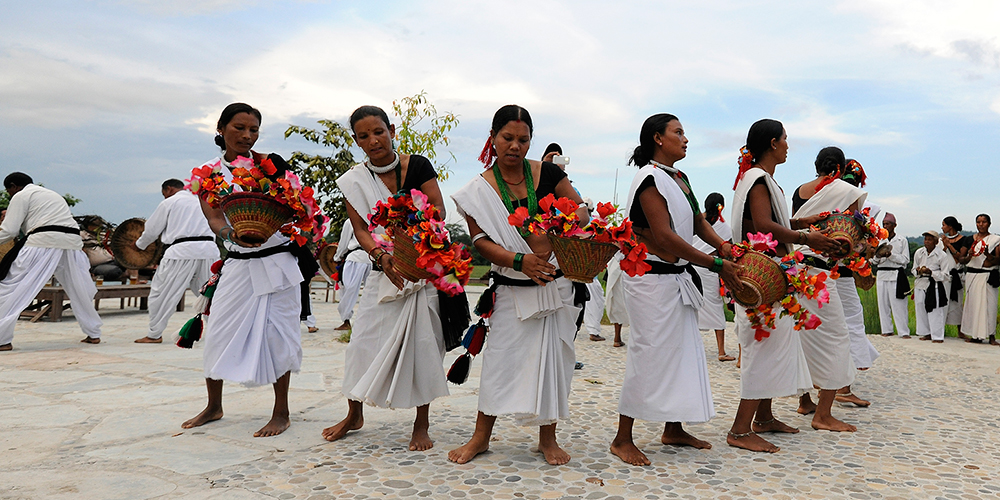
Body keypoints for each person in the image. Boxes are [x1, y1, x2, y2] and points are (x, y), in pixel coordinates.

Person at [449, 105, 585, 465]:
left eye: (523, 139)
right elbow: (479, 239)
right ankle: (480, 437)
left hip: (553, 286)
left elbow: (581, 212)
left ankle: (547, 439)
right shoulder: (480, 189)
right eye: (507, 138)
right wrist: (519, 260)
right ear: (492, 139)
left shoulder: (549, 173)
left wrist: (556, 227)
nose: (515, 146)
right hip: (510, 286)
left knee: (552, 362)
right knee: (499, 362)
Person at [609, 113, 742, 466]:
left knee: (682, 353)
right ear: (658, 138)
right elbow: (664, 235)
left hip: (676, 277)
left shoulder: (679, 178)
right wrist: (714, 263)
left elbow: (699, 222)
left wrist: (725, 248)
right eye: (678, 132)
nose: (685, 139)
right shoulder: (649, 178)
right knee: (648, 353)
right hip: (651, 280)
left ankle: (673, 428)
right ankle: (622, 438)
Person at [323, 105, 450, 451]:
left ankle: (421, 424)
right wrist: (381, 255)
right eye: (364, 136)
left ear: (391, 130)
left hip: (421, 269)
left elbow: (437, 208)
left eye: (378, 131)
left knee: (423, 346)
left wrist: (411, 229)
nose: (373, 140)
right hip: (384, 272)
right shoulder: (353, 181)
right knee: (361, 344)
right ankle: (354, 414)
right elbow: (361, 229)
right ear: (357, 141)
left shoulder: (418, 165)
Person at [181, 103, 303, 437]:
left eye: (253, 130)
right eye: (239, 128)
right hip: (237, 262)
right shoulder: (207, 173)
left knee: (280, 334)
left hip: (277, 260)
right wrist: (229, 234)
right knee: (218, 329)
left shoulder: (272, 167)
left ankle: (281, 412)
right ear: (220, 128)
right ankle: (214, 406)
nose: (247, 135)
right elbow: (214, 218)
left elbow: (297, 208)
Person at [728, 119, 839, 453]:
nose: (789, 145)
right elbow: (763, 225)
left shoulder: (763, 179)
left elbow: (769, 221)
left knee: (775, 348)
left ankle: (764, 417)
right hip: (761, 276)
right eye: (786, 140)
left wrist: (800, 222)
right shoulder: (758, 179)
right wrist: (807, 237)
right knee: (764, 350)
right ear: (774, 143)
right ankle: (739, 430)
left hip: (773, 274)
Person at [790, 146, 863, 432]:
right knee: (836, 337)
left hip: (795, 268)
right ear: (842, 169)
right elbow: (852, 238)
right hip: (820, 271)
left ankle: (805, 400)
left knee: (802, 335)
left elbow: (795, 226)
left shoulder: (800, 191)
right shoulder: (846, 191)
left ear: (817, 166)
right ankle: (823, 414)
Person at [0, 172, 103, 351]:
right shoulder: (52, 194)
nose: (9, 195)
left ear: (14, 186)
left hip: (43, 241)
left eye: (8, 191)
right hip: (71, 243)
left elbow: (9, 230)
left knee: (11, 287)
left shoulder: (21, 196)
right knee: (78, 288)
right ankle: (93, 333)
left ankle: (2, 339)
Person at [134, 179, 217, 343]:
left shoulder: (170, 202)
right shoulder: (202, 200)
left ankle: (154, 334)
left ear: (169, 189)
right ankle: (221, 331)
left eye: (164, 193)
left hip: (181, 251)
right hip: (209, 250)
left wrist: (139, 245)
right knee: (210, 294)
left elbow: (151, 230)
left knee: (161, 293)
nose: (164, 197)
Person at [832, 159, 879, 407]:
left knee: (827, 325)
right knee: (850, 322)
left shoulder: (815, 194)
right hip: (841, 270)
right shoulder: (853, 200)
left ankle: (822, 386)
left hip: (819, 270)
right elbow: (856, 242)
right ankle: (843, 387)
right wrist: (864, 247)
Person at [693, 192, 735, 362]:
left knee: (692, 304)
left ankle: (692, 348)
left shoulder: (697, 221)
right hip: (709, 266)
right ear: (721, 206)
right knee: (716, 305)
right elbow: (728, 249)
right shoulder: (723, 227)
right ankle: (721, 351)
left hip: (692, 265)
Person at [960, 214, 1000, 344]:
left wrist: (988, 255)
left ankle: (991, 335)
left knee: (990, 306)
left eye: (984, 222)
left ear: (989, 224)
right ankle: (975, 335)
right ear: (976, 223)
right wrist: (968, 256)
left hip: (987, 275)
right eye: (978, 222)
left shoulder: (995, 240)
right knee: (974, 306)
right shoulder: (969, 240)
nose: (981, 224)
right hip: (972, 275)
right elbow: (962, 259)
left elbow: (998, 260)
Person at [872, 213, 911, 338]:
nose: (885, 226)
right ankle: (886, 329)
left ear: (894, 225)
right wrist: (878, 256)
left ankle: (903, 331)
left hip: (896, 274)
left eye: (887, 224)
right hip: (882, 272)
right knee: (883, 303)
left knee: (898, 305)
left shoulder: (901, 240)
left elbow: (905, 260)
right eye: (883, 224)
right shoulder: (878, 240)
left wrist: (891, 256)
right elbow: (873, 261)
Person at [913, 230, 952, 343]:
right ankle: (926, 333)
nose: (927, 242)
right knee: (920, 307)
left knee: (935, 310)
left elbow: (945, 275)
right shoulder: (919, 253)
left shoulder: (941, 255)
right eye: (925, 239)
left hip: (934, 284)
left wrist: (932, 273)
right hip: (920, 283)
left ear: (935, 241)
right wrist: (918, 271)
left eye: (930, 239)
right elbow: (913, 269)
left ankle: (937, 335)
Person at [332, 221, 371, 332]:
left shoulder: (351, 222)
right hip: (373, 258)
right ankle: (367, 321)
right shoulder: (375, 219)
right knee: (371, 290)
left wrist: (337, 257)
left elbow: (344, 243)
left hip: (356, 258)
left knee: (347, 290)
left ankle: (346, 320)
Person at [579, 197, 607, 342]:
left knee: (594, 302)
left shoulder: (586, 224)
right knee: (594, 304)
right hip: (590, 272)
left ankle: (592, 330)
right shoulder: (591, 225)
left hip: (587, 270)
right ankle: (593, 331)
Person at [940, 216, 972, 337]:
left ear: (950, 226)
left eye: (943, 225)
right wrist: (944, 246)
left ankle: (961, 331)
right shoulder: (942, 239)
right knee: (943, 302)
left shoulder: (963, 239)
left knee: (957, 303)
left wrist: (949, 245)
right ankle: (940, 329)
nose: (942, 227)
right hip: (945, 275)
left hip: (957, 275)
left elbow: (960, 258)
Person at [604, 250, 629, 347]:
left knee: (616, 301)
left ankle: (617, 338)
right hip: (622, 262)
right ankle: (618, 338)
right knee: (621, 301)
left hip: (617, 263)